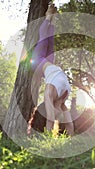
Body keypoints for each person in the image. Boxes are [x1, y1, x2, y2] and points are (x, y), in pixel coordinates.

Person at [31, 4, 74, 136]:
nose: (57, 115)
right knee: (49, 40)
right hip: (49, 66)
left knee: (45, 40)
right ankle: (51, 19)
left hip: (40, 63)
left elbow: (51, 120)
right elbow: (70, 125)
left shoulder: (50, 94)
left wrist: (49, 138)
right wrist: (72, 140)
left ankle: (49, 18)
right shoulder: (62, 101)